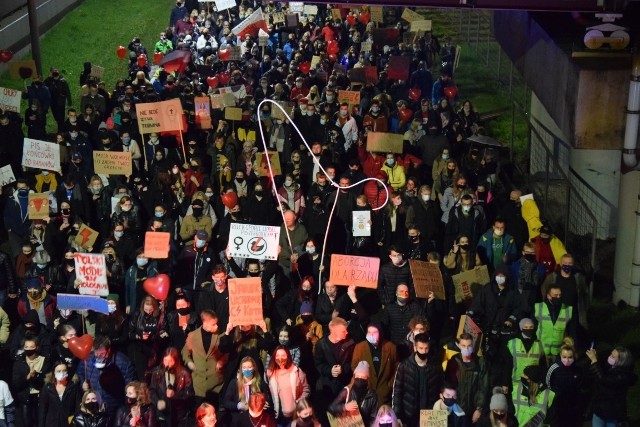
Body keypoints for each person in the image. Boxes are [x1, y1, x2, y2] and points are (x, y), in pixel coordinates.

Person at [77, 335, 136, 418]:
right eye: (96, 354)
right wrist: (82, 385)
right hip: (93, 410)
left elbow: (130, 387)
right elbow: (79, 374)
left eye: (102, 354)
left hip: (113, 410)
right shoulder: (87, 360)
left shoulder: (123, 363)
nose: (99, 357)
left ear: (109, 350)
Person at [392, 333, 443, 426]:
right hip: (409, 415)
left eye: (426, 348)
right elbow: (397, 392)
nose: (424, 351)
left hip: (430, 414)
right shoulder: (404, 366)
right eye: (421, 348)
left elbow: (441, 385)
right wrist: (397, 415)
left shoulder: (436, 366)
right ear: (415, 347)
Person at [181, 310, 227, 407]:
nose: (217, 326)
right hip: (199, 384)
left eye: (216, 323)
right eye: (213, 324)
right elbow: (185, 352)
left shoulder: (220, 335)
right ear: (205, 323)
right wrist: (189, 362)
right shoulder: (193, 336)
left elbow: (227, 352)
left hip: (216, 384)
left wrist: (222, 361)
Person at [585, 345, 637, 427]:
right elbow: (598, 373)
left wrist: (594, 361)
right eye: (611, 354)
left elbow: (603, 379)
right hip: (600, 409)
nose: (610, 357)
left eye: (613, 356)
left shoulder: (622, 376)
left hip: (612, 412)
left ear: (621, 361)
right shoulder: (611, 367)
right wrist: (595, 359)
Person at [444, 333, 488, 425]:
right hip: (455, 409)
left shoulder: (480, 363)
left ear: (473, 345)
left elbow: (483, 387)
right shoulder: (454, 361)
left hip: (472, 411)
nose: (466, 349)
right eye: (463, 346)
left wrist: (479, 409)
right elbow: (448, 385)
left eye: (469, 346)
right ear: (459, 346)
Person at [351, 323, 398, 407]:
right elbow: (354, 366)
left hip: (384, 395)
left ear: (380, 333)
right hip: (366, 394)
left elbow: (396, 367)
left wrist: (389, 385)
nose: (371, 334)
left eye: (375, 332)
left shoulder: (391, 347)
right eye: (369, 332)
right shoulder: (360, 347)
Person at [149, 347, 194, 426]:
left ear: (176, 361)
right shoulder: (157, 372)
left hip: (178, 414)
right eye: (165, 360)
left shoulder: (184, 373)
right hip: (162, 413)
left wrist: (175, 395)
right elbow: (152, 390)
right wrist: (157, 401)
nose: (167, 364)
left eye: (171, 361)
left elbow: (189, 394)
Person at [265, 346, 310, 425]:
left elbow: (306, 389)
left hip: (295, 415)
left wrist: (299, 401)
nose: (280, 358)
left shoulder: (297, 371)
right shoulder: (270, 374)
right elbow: (266, 393)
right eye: (277, 356)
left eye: (283, 355)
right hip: (278, 417)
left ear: (288, 356)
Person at [12, 336, 50, 427]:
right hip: (25, 398)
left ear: (37, 347)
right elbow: (16, 383)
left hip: (41, 397)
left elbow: (46, 380)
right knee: (27, 423)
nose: (29, 349)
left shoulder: (44, 360)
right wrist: (27, 377)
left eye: (31, 347)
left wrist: (35, 376)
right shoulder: (19, 362)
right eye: (26, 347)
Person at [221, 356, 271, 424]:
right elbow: (226, 402)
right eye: (244, 367)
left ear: (254, 368)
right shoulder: (234, 383)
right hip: (238, 419)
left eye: (249, 367)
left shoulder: (260, 383)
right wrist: (239, 405)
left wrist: (265, 403)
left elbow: (267, 399)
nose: (247, 370)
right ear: (241, 369)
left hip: (255, 419)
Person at [545, 338, 582, 427]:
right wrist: (555, 395)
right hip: (557, 403)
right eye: (564, 357)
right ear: (560, 355)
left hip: (571, 403)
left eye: (570, 357)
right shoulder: (554, 367)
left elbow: (579, 384)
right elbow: (548, 383)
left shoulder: (577, 369)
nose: (567, 360)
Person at [328, 361, 378, 427]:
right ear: (354, 377)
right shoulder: (347, 390)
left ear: (367, 378)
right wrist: (344, 407)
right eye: (358, 376)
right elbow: (331, 408)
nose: (360, 379)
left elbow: (373, 418)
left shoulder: (372, 396)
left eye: (363, 376)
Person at [535, 283, 575, 363]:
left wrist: (572, 347)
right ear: (548, 296)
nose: (558, 297)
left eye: (560, 295)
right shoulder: (538, 307)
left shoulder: (567, 309)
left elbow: (572, 330)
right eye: (555, 295)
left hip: (559, 351)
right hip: (541, 350)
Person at [38, 362, 81, 427]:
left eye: (64, 370)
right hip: (51, 423)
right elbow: (42, 410)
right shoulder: (48, 387)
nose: (62, 373)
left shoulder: (73, 387)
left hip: (68, 424)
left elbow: (78, 408)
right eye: (59, 371)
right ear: (54, 373)